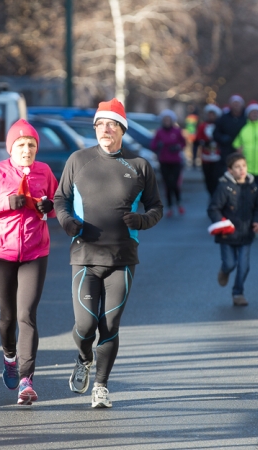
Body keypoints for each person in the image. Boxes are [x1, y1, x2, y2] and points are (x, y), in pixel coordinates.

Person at [54, 98, 163, 408]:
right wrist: (66, 221)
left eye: (112, 124)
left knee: (110, 326)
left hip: (122, 259)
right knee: (86, 326)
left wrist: (142, 220)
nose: (105, 129)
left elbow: (157, 207)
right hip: (85, 255)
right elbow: (61, 199)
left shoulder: (139, 166)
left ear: (122, 130)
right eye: (100, 124)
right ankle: (83, 357)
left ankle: (101, 386)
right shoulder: (78, 160)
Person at [0, 119, 58, 405]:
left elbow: (56, 204)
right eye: (21, 145)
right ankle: (9, 358)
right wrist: (5, 202)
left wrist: (49, 207)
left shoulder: (44, 172)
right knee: (7, 318)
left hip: (35, 252)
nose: (27, 150)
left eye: (31, 145)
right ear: (11, 148)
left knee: (26, 315)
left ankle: (27, 380)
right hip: (1, 254)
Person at [208, 153, 258, 306]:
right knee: (230, 264)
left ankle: (238, 293)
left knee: (244, 266)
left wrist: (257, 222)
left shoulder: (252, 187)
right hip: (228, 235)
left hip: (246, 234)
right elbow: (213, 209)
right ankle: (224, 271)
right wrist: (221, 222)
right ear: (230, 170)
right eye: (237, 167)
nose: (241, 170)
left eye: (243, 166)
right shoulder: (224, 187)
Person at [152, 109, 187, 217]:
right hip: (164, 161)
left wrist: (177, 147)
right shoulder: (159, 132)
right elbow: (153, 145)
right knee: (167, 184)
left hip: (176, 161)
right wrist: (159, 146)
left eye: (169, 120)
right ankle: (170, 206)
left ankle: (179, 203)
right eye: (165, 120)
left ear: (172, 121)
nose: (167, 122)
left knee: (175, 184)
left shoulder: (177, 131)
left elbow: (183, 143)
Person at [213, 95, 248, 178]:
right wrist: (222, 138)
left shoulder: (246, 118)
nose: (236, 106)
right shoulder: (223, 118)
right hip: (227, 152)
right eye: (234, 103)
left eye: (238, 103)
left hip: (243, 152)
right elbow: (216, 133)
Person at [195, 104, 223, 196]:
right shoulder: (202, 126)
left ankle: (216, 195)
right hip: (206, 157)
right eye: (209, 114)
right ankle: (211, 194)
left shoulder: (219, 126)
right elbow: (197, 140)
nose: (211, 116)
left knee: (216, 178)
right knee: (208, 178)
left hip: (217, 157)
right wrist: (203, 142)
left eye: (213, 114)